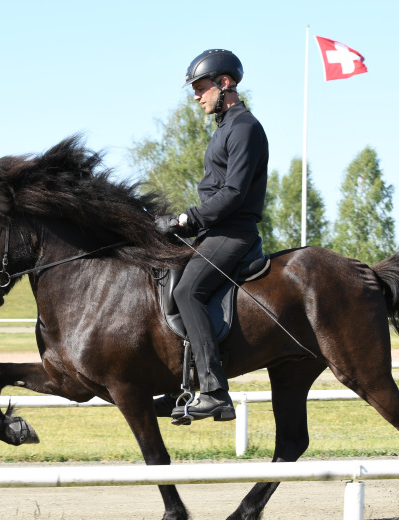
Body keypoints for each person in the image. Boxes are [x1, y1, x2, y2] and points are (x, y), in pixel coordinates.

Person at [156, 49, 269, 423]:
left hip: (233, 232)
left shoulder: (244, 128)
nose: (196, 96)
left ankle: (215, 393)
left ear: (225, 84)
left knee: (189, 291)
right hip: (215, 229)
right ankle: (180, 387)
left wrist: (188, 218)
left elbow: (234, 193)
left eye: (201, 88)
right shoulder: (226, 129)